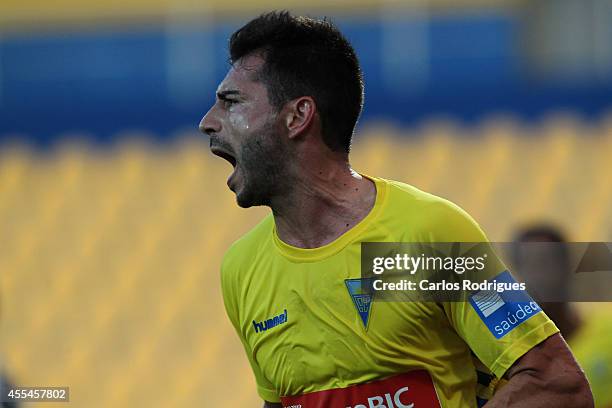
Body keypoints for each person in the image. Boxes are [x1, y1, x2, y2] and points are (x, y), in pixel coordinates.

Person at [200, 11, 593, 407]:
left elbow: (555, 382)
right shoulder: (241, 269)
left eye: (231, 102)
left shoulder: (428, 236)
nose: (207, 123)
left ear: (298, 116)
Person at [513, 225, 612, 408]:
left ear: (567, 267)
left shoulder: (608, 335)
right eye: (529, 265)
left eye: (547, 262)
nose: (539, 275)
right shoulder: (513, 357)